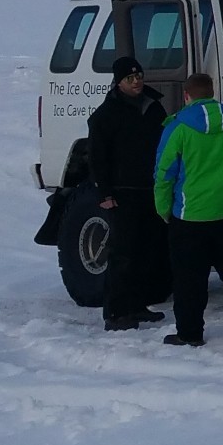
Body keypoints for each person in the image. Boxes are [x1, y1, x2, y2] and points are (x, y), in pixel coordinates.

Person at [153, 72, 223, 346]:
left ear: (187, 96)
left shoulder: (177, 127)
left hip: (189, 215)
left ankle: (190, 333)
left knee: (189, 277)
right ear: (212, 93)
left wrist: (164, 209)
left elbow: (164, 174)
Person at [85, 56, 169, 331]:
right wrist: (105, 193)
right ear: (118, 82)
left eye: (139, 76)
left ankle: (137, 304)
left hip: (150, 189)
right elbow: (98, 157)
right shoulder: (106, 114)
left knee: (147, 250)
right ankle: (116, 312)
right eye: (130, 78)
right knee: (124, 253)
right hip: (122, 192)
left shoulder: (153, 108)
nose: (137, 82)